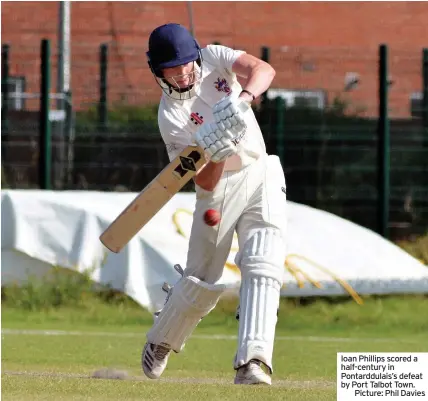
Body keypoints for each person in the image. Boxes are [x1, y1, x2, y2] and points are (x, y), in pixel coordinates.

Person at [142, 23, 287, 385]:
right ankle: (162, 338)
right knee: (202, 278)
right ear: (158, 72)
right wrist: (215, 148)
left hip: (261, 170)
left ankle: (253, 362)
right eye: (171, 71)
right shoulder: (171, 117)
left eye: (186, 65)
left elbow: (263, 70)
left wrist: (243, 99)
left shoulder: (214, 57)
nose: (182, 75)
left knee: (264, 261)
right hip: (219, 187)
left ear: (196, 56)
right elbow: (204, 181)